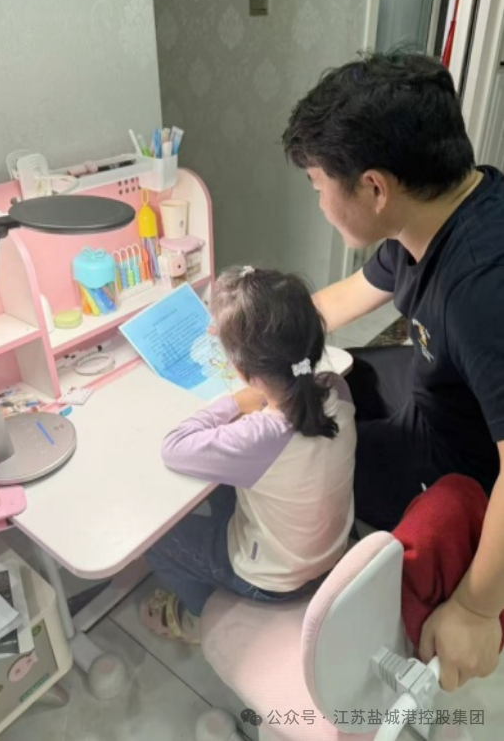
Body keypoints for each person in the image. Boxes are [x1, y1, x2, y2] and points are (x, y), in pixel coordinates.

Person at [282, 50, 504, 690]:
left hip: (467, 466)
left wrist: (475, 607)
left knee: (307, 460)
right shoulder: (438, 210)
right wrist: (256, 337)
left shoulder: (480, 289)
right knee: (340, 383)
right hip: (439, 389)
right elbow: (343, 300)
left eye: (319, 186)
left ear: (375, 188)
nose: (319, 201)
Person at [140, 267, 356, 643]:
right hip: (332, 551)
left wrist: (234, 402)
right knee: (228, 487)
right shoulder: (335, 387)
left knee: (155, 539)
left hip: (277, 580)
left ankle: (196, 618)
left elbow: (173, 447)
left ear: (243, 372)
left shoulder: (258, 436)